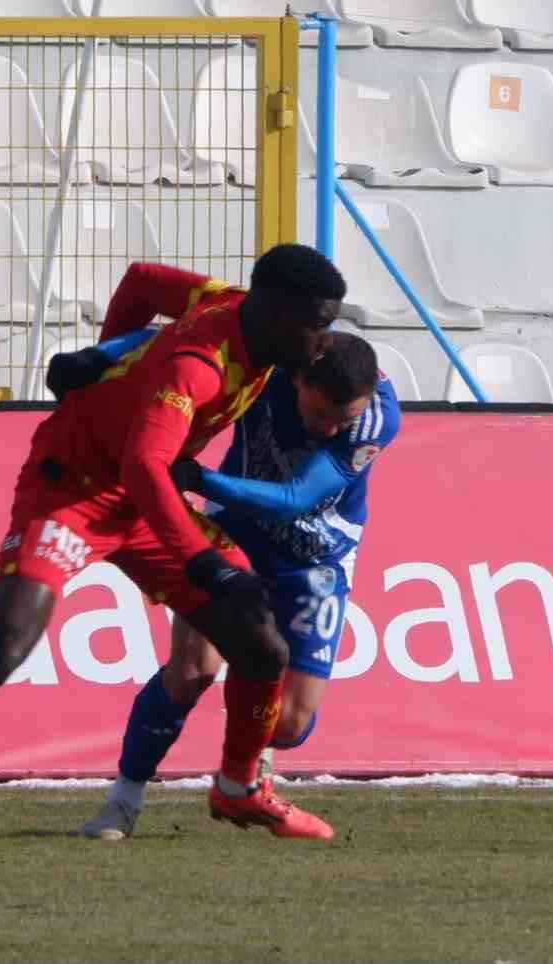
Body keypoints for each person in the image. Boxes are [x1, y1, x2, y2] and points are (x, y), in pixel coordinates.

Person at [0, 247, 346, 851]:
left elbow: (142, 283)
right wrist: (202, 560)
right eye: (317, 324)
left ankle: (238, 787)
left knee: (260, 642)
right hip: (72, 497)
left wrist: (102, 356)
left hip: (138, 502)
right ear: (272, 312)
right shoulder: (198, 366)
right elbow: (144, 464)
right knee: (0, 650)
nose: (325, 340)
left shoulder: (225, 303)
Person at [75, 331, 401, 840]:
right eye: (319, 415)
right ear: (298, 379)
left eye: (342, 420)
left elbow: (295, 498)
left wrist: (198, 478)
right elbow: (176, 337)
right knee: (191, 670)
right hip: (233, 531)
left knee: (292, 723)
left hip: (318, 554)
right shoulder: (265, 361)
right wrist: (98, 356)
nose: (330, 428)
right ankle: (122, 802)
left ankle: (243, 775)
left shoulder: (378, 418)